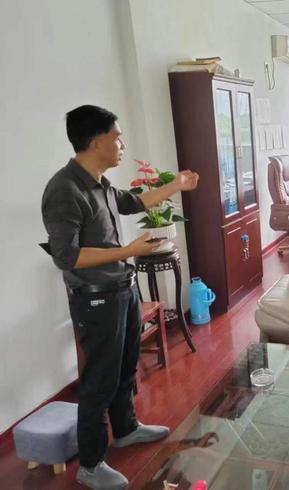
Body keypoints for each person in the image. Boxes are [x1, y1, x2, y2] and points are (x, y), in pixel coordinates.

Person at [41, 105, 199, 489]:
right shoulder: (64, 190)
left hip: (122, 288)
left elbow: (135, 203)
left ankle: (126, 429)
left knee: (126, 366)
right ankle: (91, 464)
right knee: (100, 379)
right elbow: (66, 256)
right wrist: (129, 251)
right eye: (117, 137)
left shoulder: (101, 184)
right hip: (95, 298)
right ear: (97, 142)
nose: (122, 145)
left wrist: (177, 184)